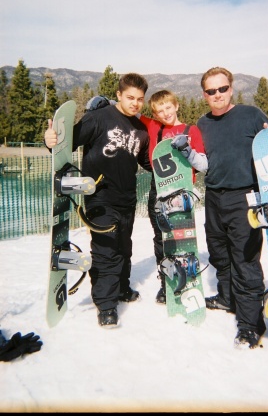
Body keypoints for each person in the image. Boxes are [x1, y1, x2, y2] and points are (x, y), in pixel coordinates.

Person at [44, 73, 152, 328]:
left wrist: (169, 160)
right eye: (130, 98)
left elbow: (147, 162)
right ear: (118, 95)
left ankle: (122, 288)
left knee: (123, 247)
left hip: (127, 198)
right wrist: (50, 141)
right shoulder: (99, 117)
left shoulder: (140, 129)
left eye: (139, 99)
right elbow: (66, 143)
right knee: (105, 251)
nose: (135, 103)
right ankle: (106, 305)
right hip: (99, 197)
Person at [197, 66, 268, 349]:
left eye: (222, 88)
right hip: (213, 196)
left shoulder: (249, 115)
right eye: (211, 91)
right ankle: (227, 298)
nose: (218, 95)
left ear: (231, 88)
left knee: (245, 260)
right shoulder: (202, 123)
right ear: (205, 95)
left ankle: (250, 324)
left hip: (245, 198)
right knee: (219, 253)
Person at [137, 90, 208, 303]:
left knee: (183, 238)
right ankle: (166, 282)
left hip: (182, 191)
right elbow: (130, 109)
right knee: (162, 238)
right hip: (158, 190)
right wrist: (106, 103)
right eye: (159, 111)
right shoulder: (154, 127)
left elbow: (203, 165)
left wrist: (187, 150)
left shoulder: (190, 129)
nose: (165, 113)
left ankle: (187, 278)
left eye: (168, 108)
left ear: (176, 106)